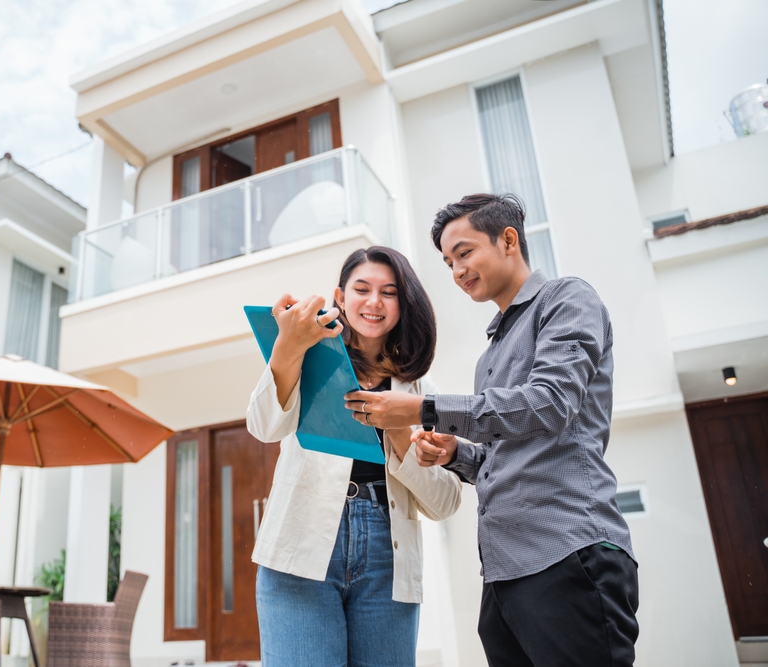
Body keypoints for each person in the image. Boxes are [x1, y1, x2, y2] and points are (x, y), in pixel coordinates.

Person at [345, 194, 639, 667]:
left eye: (464, 253)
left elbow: (549, 404)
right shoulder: (490, 355)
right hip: (504, 578)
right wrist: (454, 452)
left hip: (569, 554)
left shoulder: (566, 299)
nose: (457, 270)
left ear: (508, 240)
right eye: (448, 263)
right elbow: (505, 459)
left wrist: (422, 409)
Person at [247, 245, 462, 667]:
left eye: (389, 291)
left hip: (387, 551)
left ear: (404, 303)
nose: (374, 302)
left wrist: (400, 432)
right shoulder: (309, 356)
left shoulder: (419, 388)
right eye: (361, 289)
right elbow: (264, 427)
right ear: (340, 298)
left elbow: (446, 501)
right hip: (301, 545)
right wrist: (287, 347)